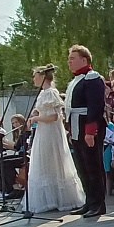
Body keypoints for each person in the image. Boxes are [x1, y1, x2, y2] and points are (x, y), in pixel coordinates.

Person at [24, 64, 87, 214]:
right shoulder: (43, 93)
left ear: (42, 77)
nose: (33, 79)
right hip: (43, 131)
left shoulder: (51, 93)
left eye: (35, 76)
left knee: (52, 160)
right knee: (43, 162)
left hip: (50, 132)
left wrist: (35, 118)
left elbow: (54, 116)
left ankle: (61, 198)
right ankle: (49, 199)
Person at [64, 45, 107, 217]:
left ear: (84, 59)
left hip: (88, 126)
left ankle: (98, 204)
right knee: (82, 166)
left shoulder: (92, 78)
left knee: (93, 166)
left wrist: (90, 131)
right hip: (76, 125)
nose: (70, 62)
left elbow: (95, 106)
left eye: (72, 58)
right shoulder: (75, 80)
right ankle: (89, 202)